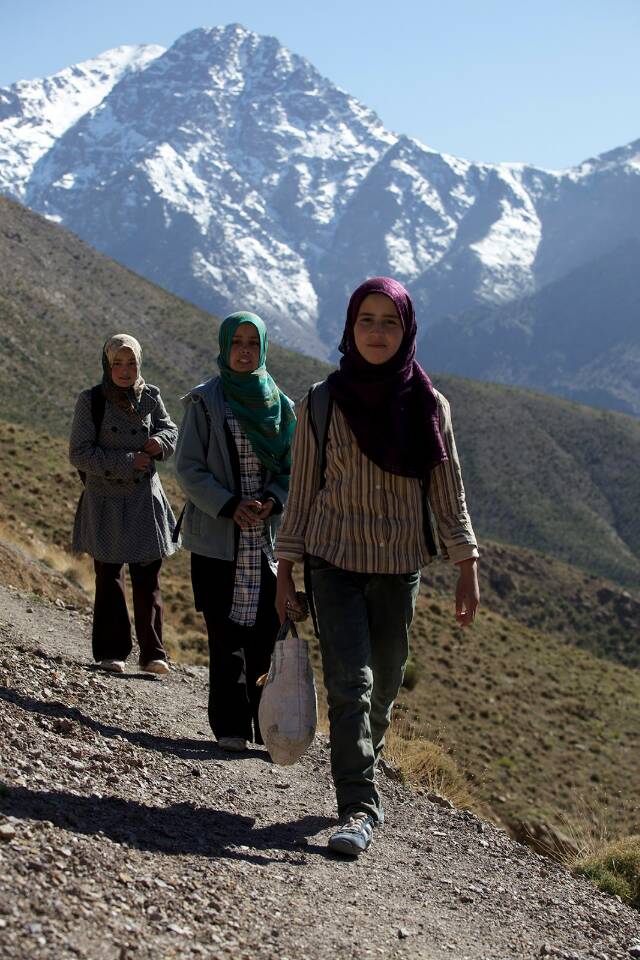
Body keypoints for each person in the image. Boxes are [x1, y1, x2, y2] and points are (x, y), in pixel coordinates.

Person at [275, 277, 479, 857]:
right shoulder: (320, 403)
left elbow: (448, 493)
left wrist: (466, 563)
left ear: (407, 330)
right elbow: (302, 493)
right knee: (351, 684)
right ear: (350, 327)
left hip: (398, 566)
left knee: (384, 684)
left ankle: (365, 755)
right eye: (366, 320)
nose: (377, 332)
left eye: (390, 322)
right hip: (332, 561)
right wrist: (285, 570)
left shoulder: (430, 406)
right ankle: (358, 806)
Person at [175, 312, 295, 752]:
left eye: (252, 343)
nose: (244, 351)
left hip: (264, 542)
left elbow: (292, 468)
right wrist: (230, 504)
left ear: (263, 348)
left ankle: (267, 728)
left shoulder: (279, 405)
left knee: (266, 635)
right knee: (224, 637)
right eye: (237, 342)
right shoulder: (205, 402)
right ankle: (230, 727)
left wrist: (272, 500)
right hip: (218, 540)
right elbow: (188, 468)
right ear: (225, 347)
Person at [69, 334, 178, 675]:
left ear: (139, 363)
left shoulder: (151, 396)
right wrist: (129, 461)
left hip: (145, 500)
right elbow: (79, 453)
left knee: (147, 578)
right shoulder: (91, 401)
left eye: (131, 363)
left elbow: (170, 430)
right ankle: (111, 652)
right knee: (109, 577)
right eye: (117, 363)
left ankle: (153, 654)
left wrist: (160, 442)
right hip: (106, 501)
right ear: (107, 364)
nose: (125, 370)